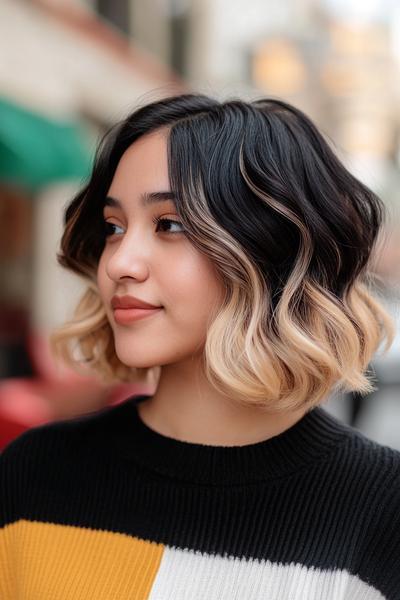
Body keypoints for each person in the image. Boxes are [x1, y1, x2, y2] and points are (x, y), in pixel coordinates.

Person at [1, 93, 399, 599]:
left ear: (270, 249)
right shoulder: (35, 471)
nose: (121, 262)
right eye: (113, 227)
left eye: (169, 224)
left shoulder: (383, 510)